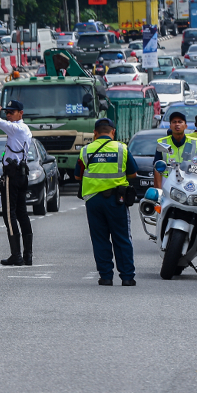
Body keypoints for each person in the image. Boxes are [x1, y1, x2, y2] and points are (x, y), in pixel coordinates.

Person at [76, 118, 139, 286]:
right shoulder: (122, 148)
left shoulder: (85, 150)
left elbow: (77, 176)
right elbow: (133, 173)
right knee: (122, 238)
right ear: (113, 132)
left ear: (95, 133)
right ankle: (127, 277)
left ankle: (105, 277)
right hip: (117, 200)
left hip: (93, 200)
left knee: (100, 239)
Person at [0, 99, 33, 266]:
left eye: (11, 112)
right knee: (22, 213)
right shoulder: (25, 129)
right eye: (6, 112)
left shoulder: (16, 128)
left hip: (13, 175)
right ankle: (27, 255)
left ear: (20, 113)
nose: (8, 115)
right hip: (21, 174)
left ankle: (17, 255)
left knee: (9, 214)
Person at [153, 111, 197, 190]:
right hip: (167, 183)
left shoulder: (195, 143)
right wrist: (159, 192)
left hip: (189, 183)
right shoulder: (162, 143)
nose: (177, 124)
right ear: (170, 126)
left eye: (180, 122)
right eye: (174, 122)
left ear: (185, 126)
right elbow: (157, 168)